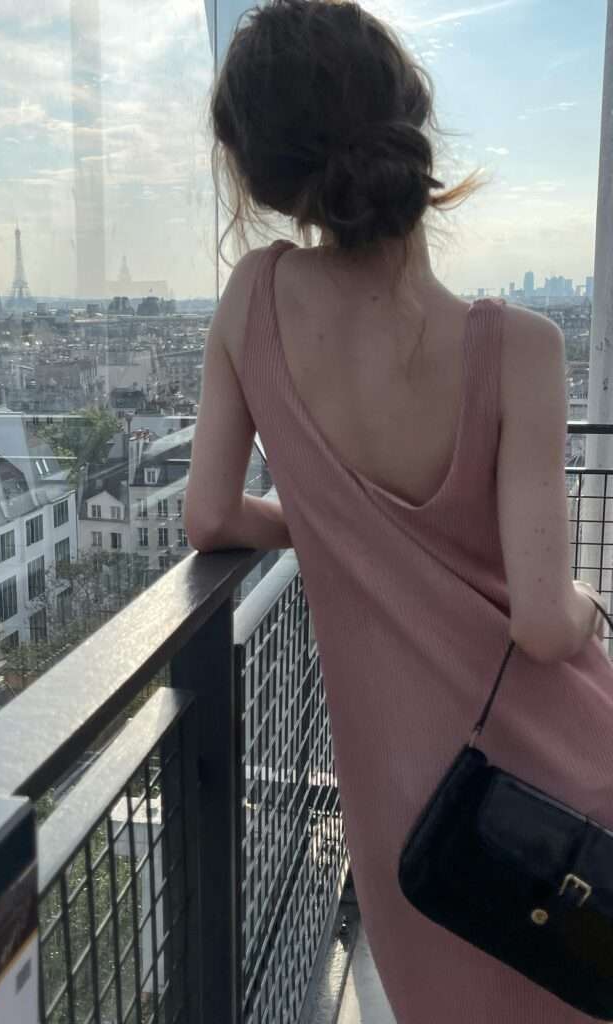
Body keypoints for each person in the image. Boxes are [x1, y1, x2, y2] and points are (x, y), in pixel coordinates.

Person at [182, 1, 613, 1020]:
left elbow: (208, 516)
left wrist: (328, 524)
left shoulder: (253, 300)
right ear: (411, 123)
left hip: (405, 815)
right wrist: (595, 604)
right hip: (564, 786)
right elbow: (546, 622)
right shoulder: (521, 349)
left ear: (264, 174)